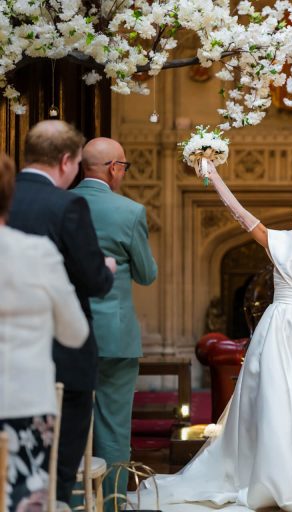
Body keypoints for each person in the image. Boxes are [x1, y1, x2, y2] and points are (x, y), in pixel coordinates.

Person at [140, 164, 292, 511]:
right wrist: (215, 175)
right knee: (276, 399)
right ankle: (275, 475)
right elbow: (239, 214)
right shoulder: (277, 241)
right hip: (277, 330)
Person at [7, 121, 115, 506]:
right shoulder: (67, 204)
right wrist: (106, 270)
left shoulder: (7, 199)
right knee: (56, 473)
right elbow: (91, 280)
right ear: (68, 161)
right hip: (58, 361)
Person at [0, 153, 89, 511]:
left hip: (25, 403)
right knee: (23, 500)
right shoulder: (38, 253)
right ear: (10, 197)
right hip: (25, 403)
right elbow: (75, 333)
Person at [73, 137, 158, 511]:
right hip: (115, 335)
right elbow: (147, 274)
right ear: (113, 168)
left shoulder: (61, 206)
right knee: (113, 424)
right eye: (123, 166)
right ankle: (109, 503)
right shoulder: (130, 211)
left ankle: (74, 501)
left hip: (64, 332)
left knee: (69, 419)